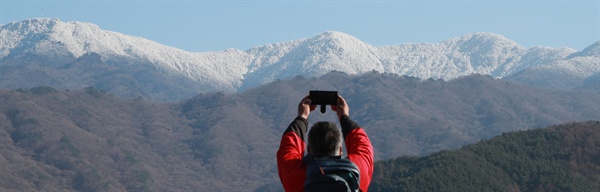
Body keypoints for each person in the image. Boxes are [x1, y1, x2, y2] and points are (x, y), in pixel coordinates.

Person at [277, 94, 374, 192]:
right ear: (340, 150)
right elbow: (363, 144)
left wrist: (302, 117)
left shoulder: (296, 176)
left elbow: (288, 146)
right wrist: (344, 117)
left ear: (309, 149)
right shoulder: (356, 174)